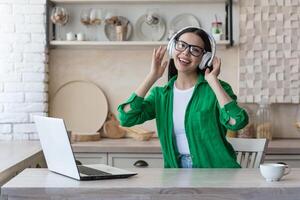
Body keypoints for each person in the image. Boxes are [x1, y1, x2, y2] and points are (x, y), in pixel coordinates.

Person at [118, 27, 248, 168]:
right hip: (176, 172)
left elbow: (237, 122)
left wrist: (213, 81)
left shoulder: (216, 89)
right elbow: (126, 118)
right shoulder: (161, 95)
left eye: (195, 50)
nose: (186, 52)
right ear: (173, 48)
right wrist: (152, 76)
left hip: (216, 172)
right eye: (182, 45)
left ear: (205, 59)